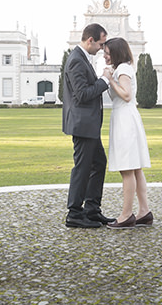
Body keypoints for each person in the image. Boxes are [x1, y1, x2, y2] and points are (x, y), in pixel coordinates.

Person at [63, 23, 114, 228]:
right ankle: (74, 213)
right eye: (101, 44)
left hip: (88, 124)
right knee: (82, 168)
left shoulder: (82, 58)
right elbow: (82, 94)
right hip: (82, 124)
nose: (102, 49)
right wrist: (104, 80)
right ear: (90, 40)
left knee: (98, 163)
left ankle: (92, 209)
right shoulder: (76, 60)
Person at [100, 37, 153, 229]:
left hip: (125, 120)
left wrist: (109, 80)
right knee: (135, 167)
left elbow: (127, 94)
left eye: (107, 52)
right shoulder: (123, 68)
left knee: (128, 168)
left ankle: (126, 214)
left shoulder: (122, 69)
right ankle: (144, 211)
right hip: (127, 117)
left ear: (116, 53)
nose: (104, 56)